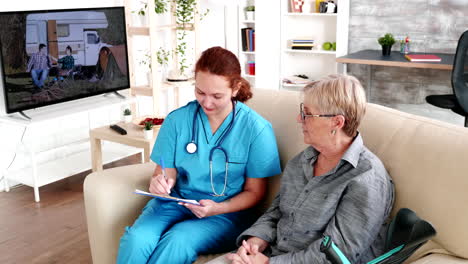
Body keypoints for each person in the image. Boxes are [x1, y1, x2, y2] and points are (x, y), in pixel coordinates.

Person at [116, 46, 282, 264]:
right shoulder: (177, 120)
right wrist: (162, 181)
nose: (206, 102)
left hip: (226, 212)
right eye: (200, 92)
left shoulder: (256, 129)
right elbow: (166, 169)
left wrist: (218, 208)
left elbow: (255, 192)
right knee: (137, 240)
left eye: (216, 95)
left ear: (236, 88)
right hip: (175, 202)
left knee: (178, 241)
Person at [220, 74, 395, 264]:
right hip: (271, 255)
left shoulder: (367, 178)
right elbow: (277, 212)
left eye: (307, 114)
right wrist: (256, 241)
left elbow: (337, 254)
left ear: (337, 122)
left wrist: (267, 263)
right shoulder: (302, 161)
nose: (299, 118)